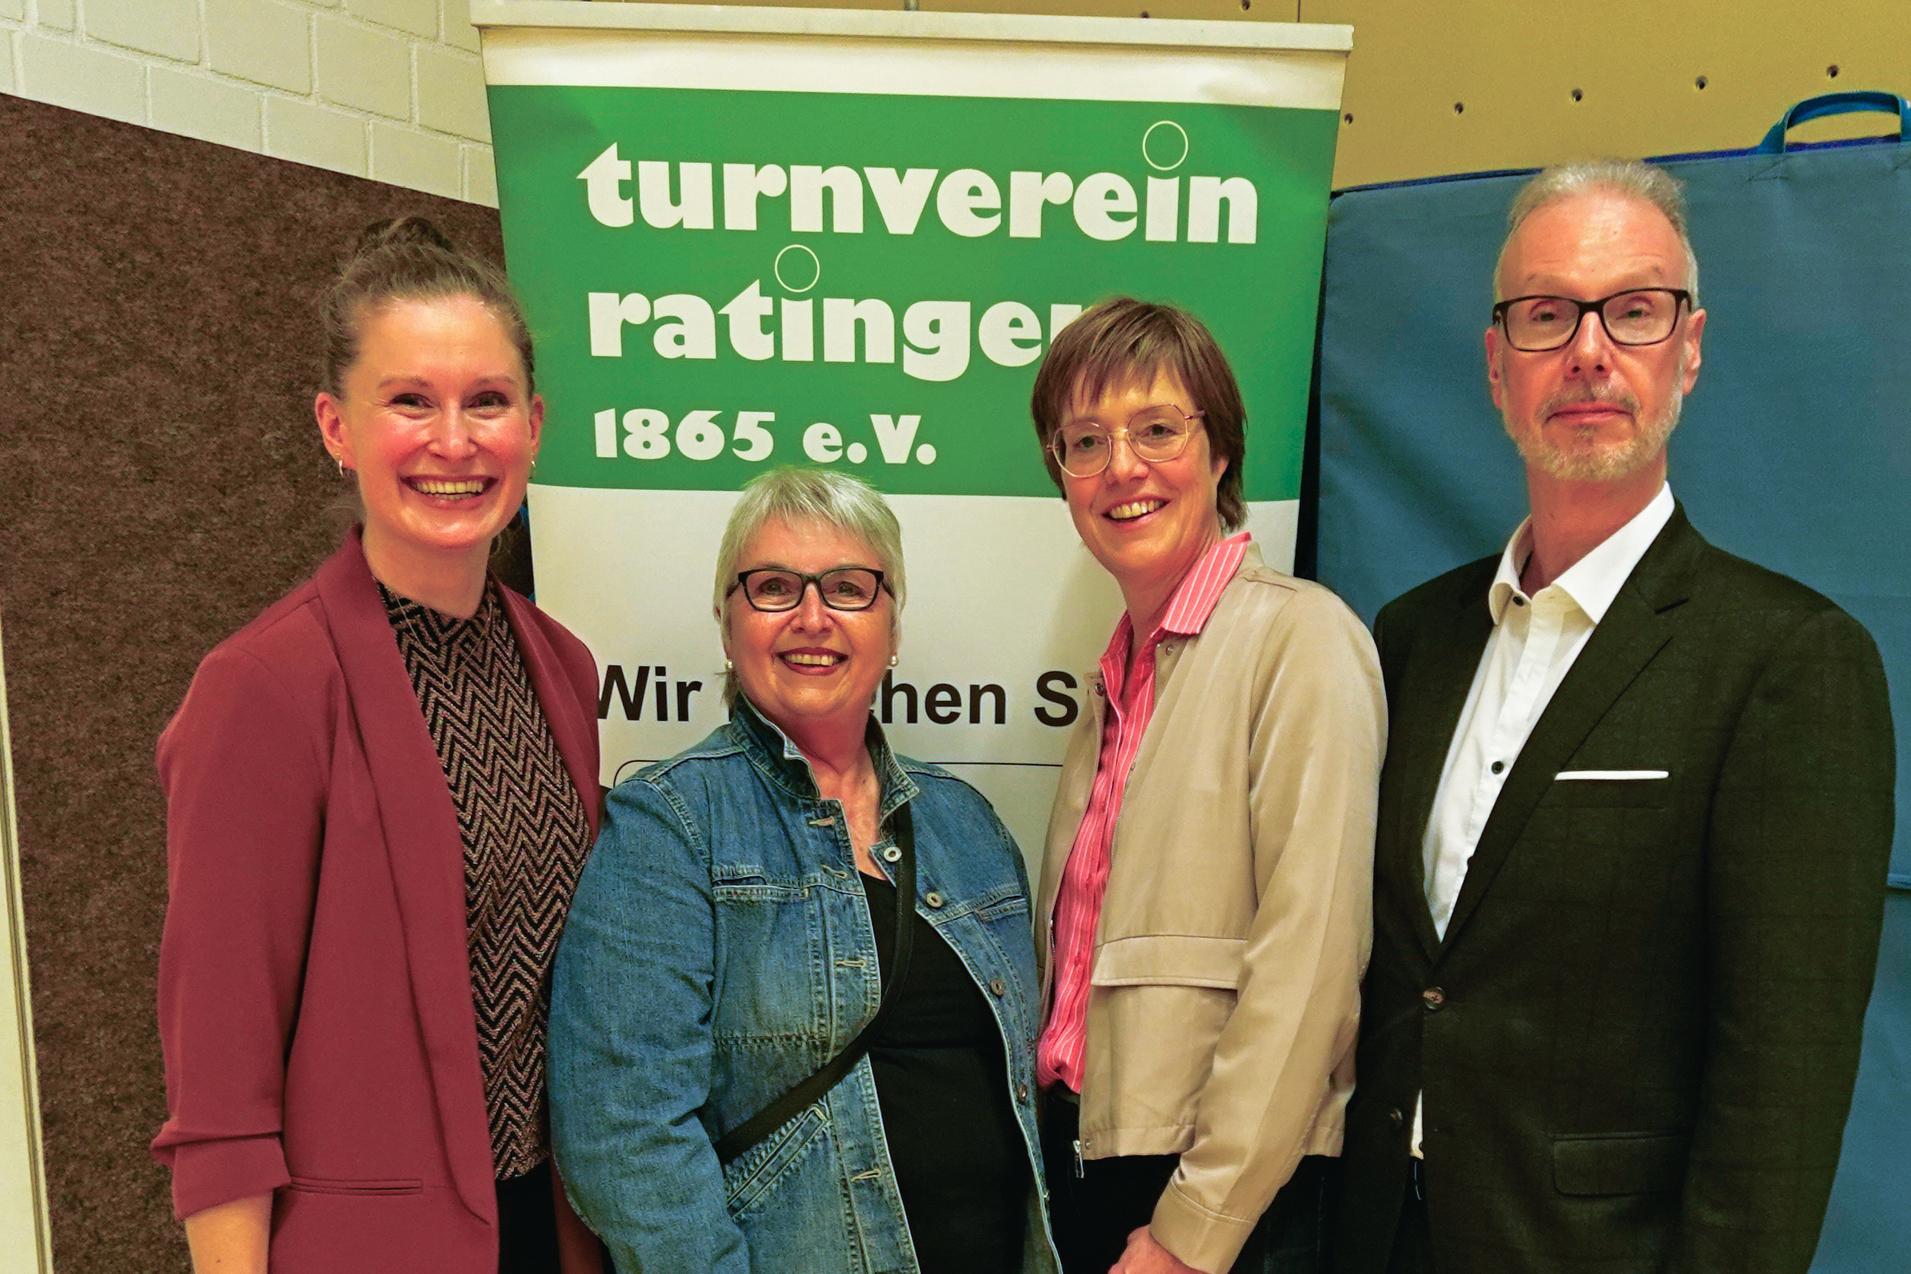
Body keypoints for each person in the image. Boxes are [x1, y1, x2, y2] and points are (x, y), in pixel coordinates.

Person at [1332, 160, 1896, 1274]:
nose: (1588, 350)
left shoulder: (1788, 660)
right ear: (1497, 367)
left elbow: (1781, 1086)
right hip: (1376, 1237)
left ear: (1688, 348)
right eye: (1546, 314)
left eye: (1632, 310)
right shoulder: (1412, 637)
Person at [152, 218, 605, 1273]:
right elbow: (220, 1083)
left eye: (487, 402)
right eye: (411, 400)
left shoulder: (563, 666)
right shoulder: (262, 687)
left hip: (557, 1229)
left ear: (532, 427)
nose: (455, 441)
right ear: (335, 427)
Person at [548, 467, 1059, 1273]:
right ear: (727, 626)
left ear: (892, 629)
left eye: (850, 588)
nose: (813, 618)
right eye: (775, 587)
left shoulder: (968, 824)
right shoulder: (670, 826)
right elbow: (623, 1133)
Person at [1028, 298, 1386, 1274]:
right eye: (1086, 440)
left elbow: (1312, 961)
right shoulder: (1115, 682)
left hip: (1219, 1202)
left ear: (1221, 451)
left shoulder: (1299, 641)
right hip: (1095, 1168)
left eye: (1157, 429)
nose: (1122, 467)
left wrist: (1198, 1224)